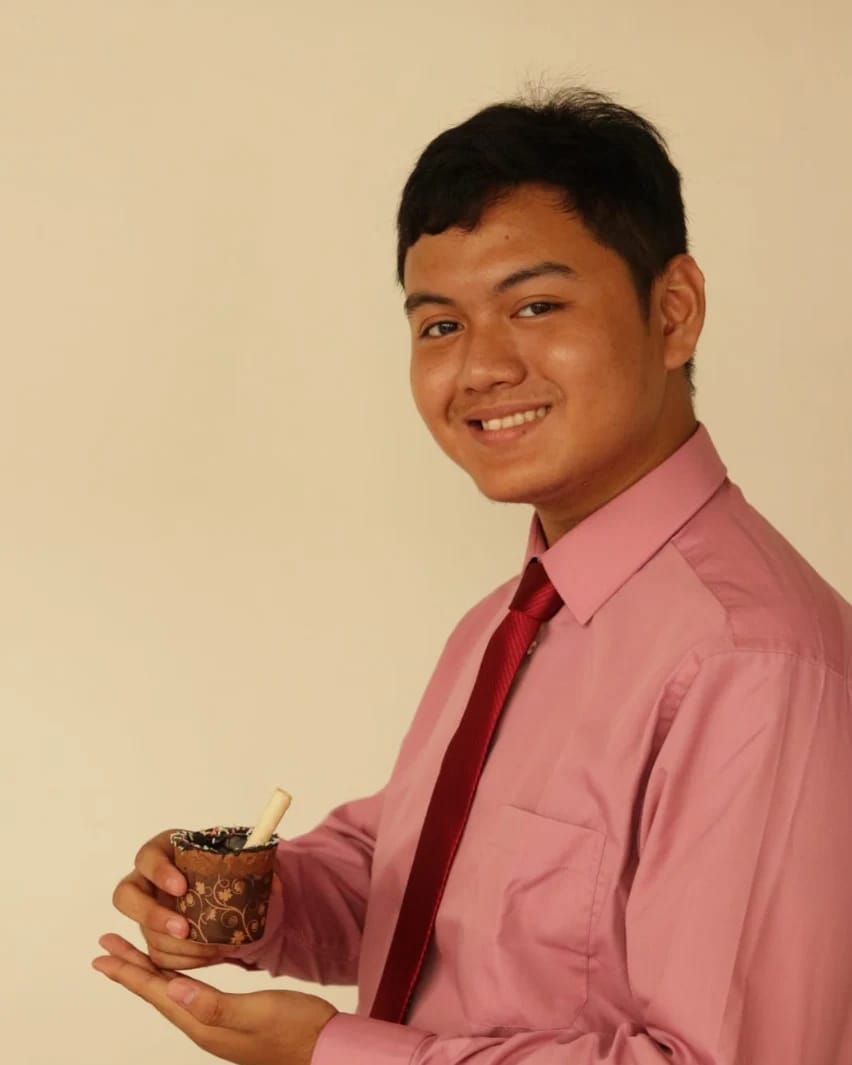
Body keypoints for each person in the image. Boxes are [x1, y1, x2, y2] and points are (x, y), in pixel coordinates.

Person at [93, 88, 852, 1064]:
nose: (481, 367)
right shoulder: (515, 618)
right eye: (440, 325)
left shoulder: (754, 662)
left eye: (535, 306)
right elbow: (431, 877)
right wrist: (248, 899)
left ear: (674, 312)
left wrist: (333, 1052)